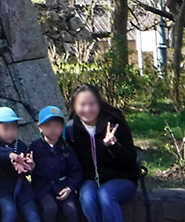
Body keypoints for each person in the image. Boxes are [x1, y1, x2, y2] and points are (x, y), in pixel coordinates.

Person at [66, 84, 138, 222]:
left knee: (105, 194)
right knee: (87, 197)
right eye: (82, 105)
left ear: (99, 104)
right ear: (74, 107)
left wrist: (113, 146)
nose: (87, 109)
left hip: (122, 178)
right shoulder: (72, 129)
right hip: (91, 180)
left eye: (92, 104)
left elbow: (131, 160)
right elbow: (70, 162)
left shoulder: (115, 123)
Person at [0, 107, 40, 222]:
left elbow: (26, 167)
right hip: (1, 190)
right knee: (9, 211)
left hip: (22, 189)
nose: (11, 132)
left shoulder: (21, 146)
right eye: (6, 128)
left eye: (14, 128)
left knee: (33, 215)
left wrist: (29, 166)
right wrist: (11, 155)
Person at [29, 106, 82, 222]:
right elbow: (28, 170)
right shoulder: (34, 148)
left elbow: (76, 171)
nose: (53, 129)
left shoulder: (67, 148)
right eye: (48, 126)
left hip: (63, 186)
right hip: (43, 188)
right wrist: (31, 168)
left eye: (57, 126)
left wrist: (69, 187)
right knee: (50, 208)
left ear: (62, 127)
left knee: (71, 210)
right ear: (40, 127)